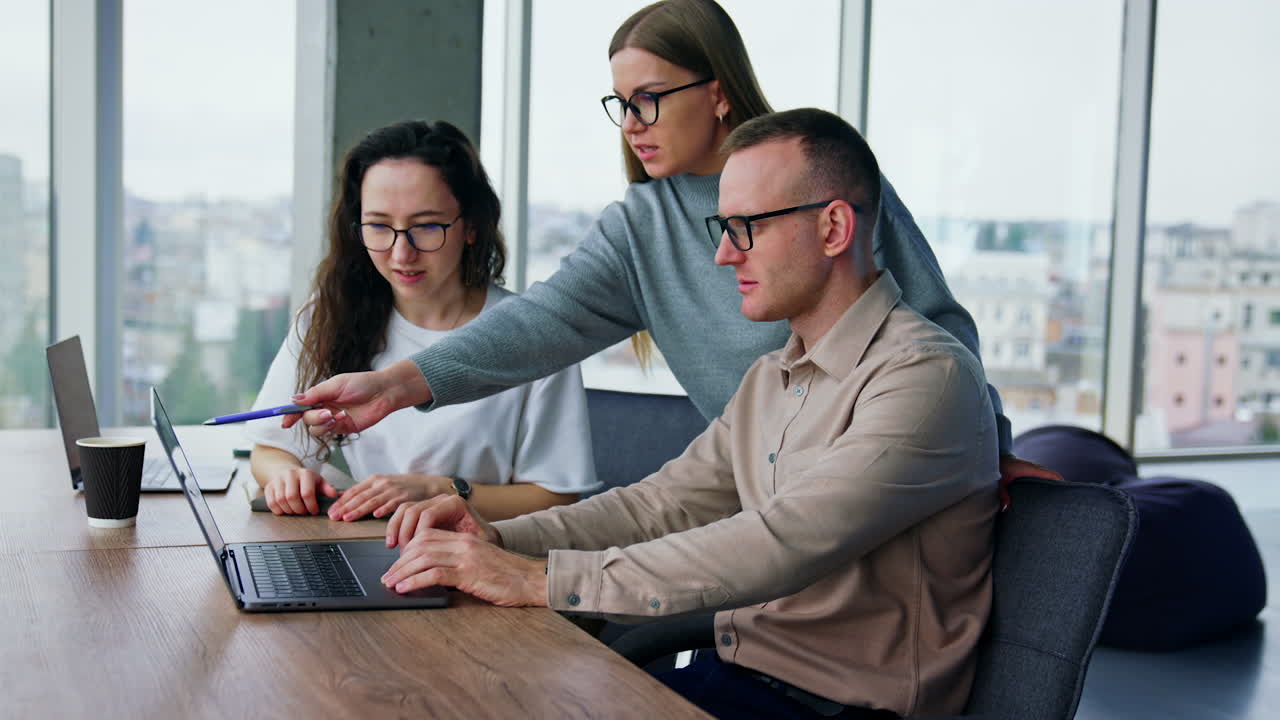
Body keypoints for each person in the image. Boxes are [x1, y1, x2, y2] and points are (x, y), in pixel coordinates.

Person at [284, 0, 1057, 501]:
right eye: (621, 104)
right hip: (762, 509)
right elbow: (536, 325)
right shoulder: (642, 228)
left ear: (717, 93)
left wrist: (989, 449)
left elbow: (939, 328)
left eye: (649, 100)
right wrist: (398, 385)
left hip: (879, 499)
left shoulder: (820, 185)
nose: (631, 124)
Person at [377, 109, 999, 719]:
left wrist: (536, 581)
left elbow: (778, 543)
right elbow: (659, 507)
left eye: (747, 227)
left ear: (834, 228)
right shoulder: (772, 376)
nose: (724, 255)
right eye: (723, 227)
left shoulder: (924, 376)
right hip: (735, 675)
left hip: (838, 707)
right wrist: (499, 539)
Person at [248, 120, 599, 521]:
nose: (401, 254)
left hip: (486, 549)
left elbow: (557, 497)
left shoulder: (535, 334)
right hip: (375, 542)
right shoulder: (331, 314)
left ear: (471, 226)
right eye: (379, 226)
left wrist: (436, 490)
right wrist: (287, 477)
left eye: (427, 226)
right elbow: (272, 447)